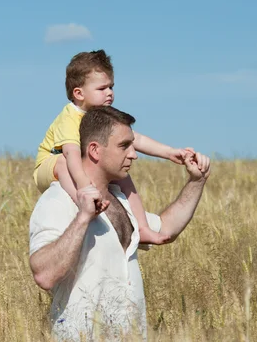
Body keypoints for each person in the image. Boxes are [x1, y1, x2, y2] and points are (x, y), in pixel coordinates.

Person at [29, 106, 211, 342]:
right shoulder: (58, 201)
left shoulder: (121, 201)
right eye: (124, 146)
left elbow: (165, 229)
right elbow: (44, 274)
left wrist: (196, 182)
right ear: (94, 150)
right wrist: (83, 218)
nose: (134, 154)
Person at [33, 49, 195, 245]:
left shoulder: (103, 118)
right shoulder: (69, 118)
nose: (109, 93)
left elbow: (136, 138)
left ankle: (142, 228)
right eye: (102, 89)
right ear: (79, 93)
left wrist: (169, 153)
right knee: (63, 161)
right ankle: (84, 203)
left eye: (111, 87)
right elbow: (71, 153)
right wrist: (85, 186)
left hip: (75, 164)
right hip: (49, 166)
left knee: (124, 176)